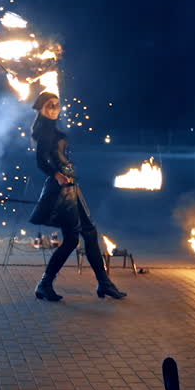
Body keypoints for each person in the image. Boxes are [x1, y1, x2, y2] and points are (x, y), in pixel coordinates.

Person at [29, 91, 126, 301]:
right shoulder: (44, 132)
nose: (55, 108)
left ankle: (102, 283)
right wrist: (56, 174)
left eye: (56, 105)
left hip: (71, 189)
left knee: (84, 235)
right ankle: (48, 284)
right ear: (41, 108)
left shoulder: (53, 131)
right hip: (61, 192)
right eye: (50, 105)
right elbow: (40, 162)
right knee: (79, 236)